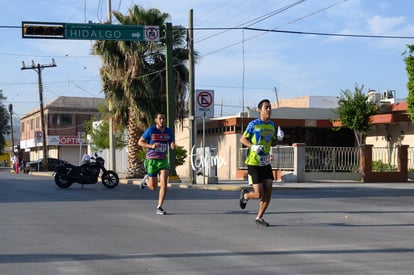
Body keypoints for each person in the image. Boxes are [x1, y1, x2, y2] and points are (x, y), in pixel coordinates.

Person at [239, 99, 284, 227]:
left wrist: (279, 139)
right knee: (259, 194)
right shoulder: (253, 124)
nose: (268, 110)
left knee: (269, 189)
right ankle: (246, 196)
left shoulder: (272, 125)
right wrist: (252, 146)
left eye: (270, 107)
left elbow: (272, 142)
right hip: (253, 162)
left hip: (265, 162)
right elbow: (243, 139)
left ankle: (259, 217)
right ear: (259, 110)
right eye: (266, 107)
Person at [138, 112, 175, 215]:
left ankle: (159, 207)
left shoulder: (168, 131)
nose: (162, 120)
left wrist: (172, 145)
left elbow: (171, 140)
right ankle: (145, 182)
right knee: (153, 187)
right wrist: (151, 146)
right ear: (156, 120)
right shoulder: (151, 130)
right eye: (160, 118)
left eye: (163, 118)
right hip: (151, 160)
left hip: (163, 160)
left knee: (164, 183)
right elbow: (140, 142)